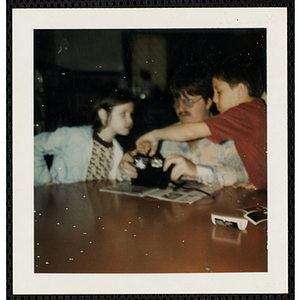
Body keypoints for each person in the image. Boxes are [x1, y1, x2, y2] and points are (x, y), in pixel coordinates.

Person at [135, 57, 267, 190]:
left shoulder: (243, 114)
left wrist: (154, 135)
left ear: (240, 91)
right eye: (176, 102)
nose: (215, 99)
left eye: (219, 92)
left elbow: (191, 132)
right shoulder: (256, 111)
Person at [34, 90, 134, 187]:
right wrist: (44, 182)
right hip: (64, 201)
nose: (130, 120)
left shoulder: (118, 150)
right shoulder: (74, 136)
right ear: (103, 114)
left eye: (131, 114)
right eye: (123, 113)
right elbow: (34, 145)